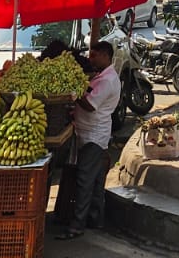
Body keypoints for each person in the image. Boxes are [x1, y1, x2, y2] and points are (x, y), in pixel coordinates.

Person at [55, 39, 121, 240]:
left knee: (84, 180)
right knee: (96, 180)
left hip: (94, 136)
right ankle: (95, 219)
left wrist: (74, 93)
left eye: (94, 55)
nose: (90, 59)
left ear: (105, 56)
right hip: (90, 133)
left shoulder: (108, 80)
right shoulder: (102, 76)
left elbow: (91, 105)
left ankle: (77, 225)